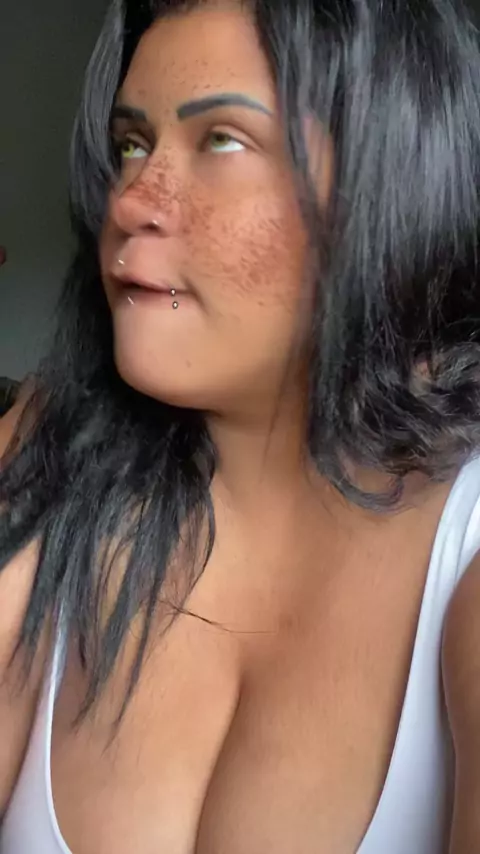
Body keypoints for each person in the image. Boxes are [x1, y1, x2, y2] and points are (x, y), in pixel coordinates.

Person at [0, 0, 480, 851]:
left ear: (388, 179)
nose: (133, 200)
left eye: (222, 139)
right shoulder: (42, 464)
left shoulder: (464, 553)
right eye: (132, 144)